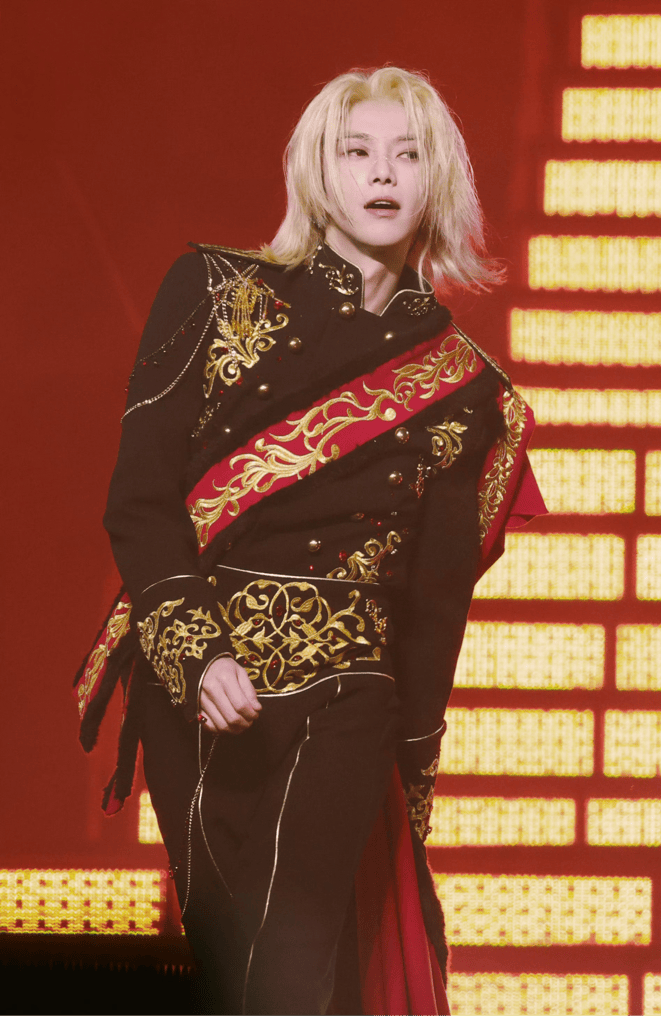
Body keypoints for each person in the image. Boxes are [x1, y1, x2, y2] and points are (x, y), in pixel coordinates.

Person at [74, 66, 546, 1015]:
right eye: (357, 151)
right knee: (229, 973)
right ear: (317, 171)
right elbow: (141, 501)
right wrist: (197, 654)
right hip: (195, 676)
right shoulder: (213, 290)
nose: (383, 173)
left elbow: (432, 612)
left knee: (288, 970)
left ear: (437, 179)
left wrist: (411, 782)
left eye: (407, 155)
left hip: (349, 691)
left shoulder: (467, 390)